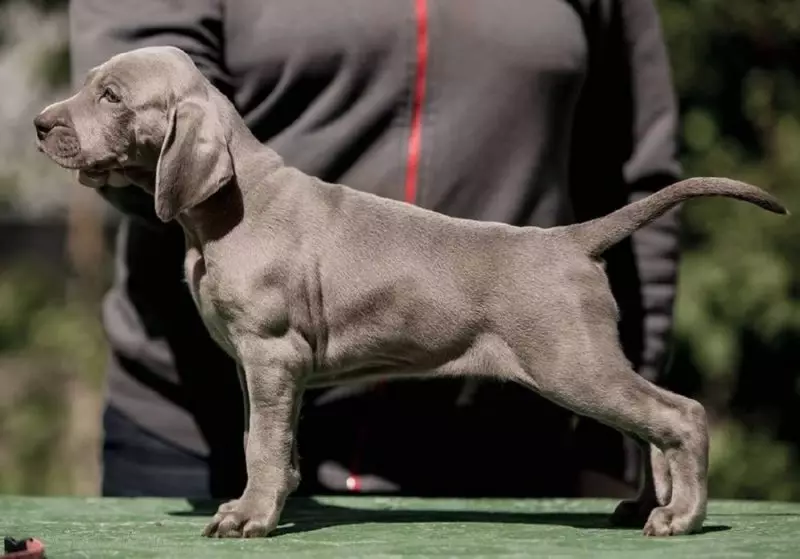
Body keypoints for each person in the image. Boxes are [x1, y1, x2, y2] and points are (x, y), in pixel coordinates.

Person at [69, 0, 683, 500]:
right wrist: (126, 159)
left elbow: (633, 176)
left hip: (506, 431)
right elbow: (144, 102)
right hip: (201, 431)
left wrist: (620, 435)